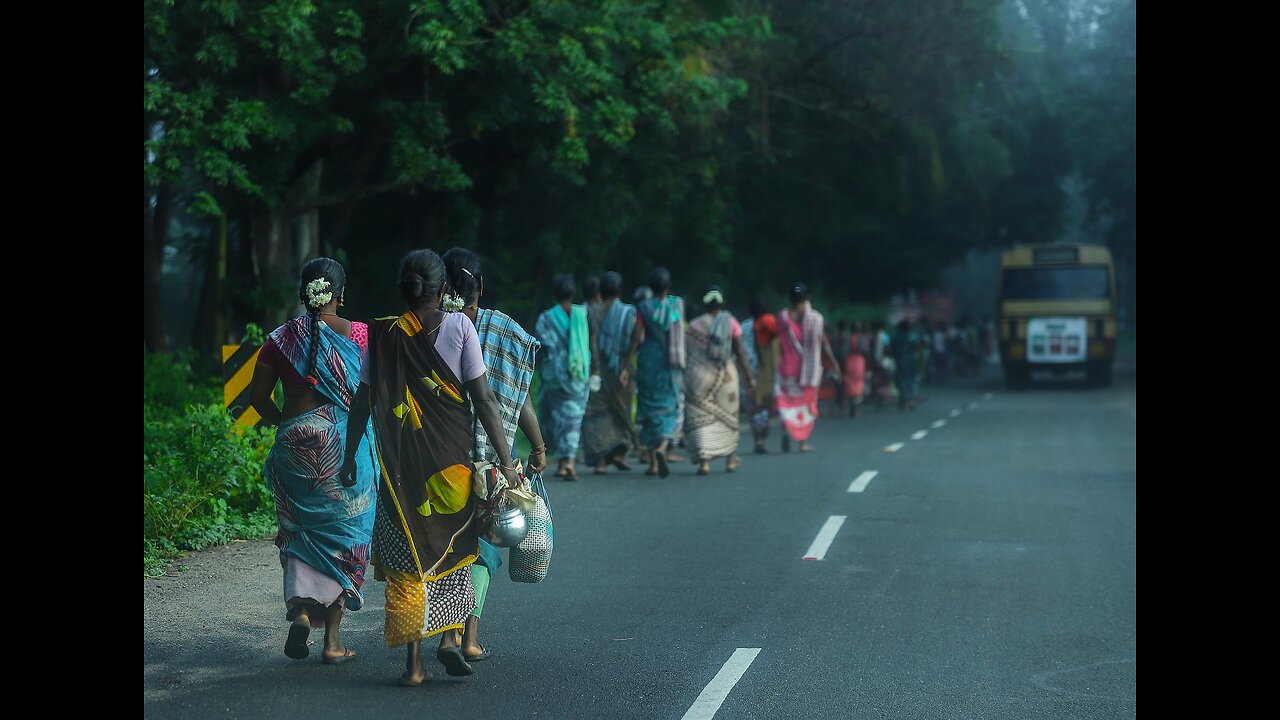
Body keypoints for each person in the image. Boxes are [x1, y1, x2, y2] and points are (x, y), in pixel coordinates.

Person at [338, 249, 523, 687]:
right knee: (453, 551)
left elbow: (362, 401)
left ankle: (414, 665)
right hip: (452, 468)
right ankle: (448, 639)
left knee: (408, 560)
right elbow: (485, 401)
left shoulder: (382, 335)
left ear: (404, 289)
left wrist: (349, 456)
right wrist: (507, 464)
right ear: (443, 290)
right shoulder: (460, 326)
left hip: (402, 472)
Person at [250, 257, 376, 666]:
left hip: (294, 448)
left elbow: (257, 400)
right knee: (345, 538)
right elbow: (374, 394)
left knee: (300, 534)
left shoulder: (280, 339)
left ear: (304, 293)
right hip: (344, 448)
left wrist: (288, 426)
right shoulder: (360, 335)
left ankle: (302, 612)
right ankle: (333, 642)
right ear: (341, 295)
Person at [441, 247, 548, 664]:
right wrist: (535, 447)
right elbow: (518, 398)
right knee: (483, 548)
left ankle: (443, 634)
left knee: (445, 546)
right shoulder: (505, 331)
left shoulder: (425, 328)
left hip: (436, 458)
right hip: (489, 459)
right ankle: (468, 636)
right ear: (479, 286)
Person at [685, 286, 755, 475]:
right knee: (730, 418)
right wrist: (749, 377)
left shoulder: (694, 326)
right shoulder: (731, 322)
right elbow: (740, 353)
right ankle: (730, 460)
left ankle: (705, 462)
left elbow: (688, 354)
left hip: (699, 378)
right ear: (722, 303)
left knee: (701, 419)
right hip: (727, 378)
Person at [623, 267, 685, 477]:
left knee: (649, 408)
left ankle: (653, 462)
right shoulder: (676, 305)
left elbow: (637, 337)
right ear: (668, 286)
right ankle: (663, 447)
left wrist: (626, 361)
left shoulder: (643, 307)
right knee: (670, 406)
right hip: (670, 363)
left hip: (649, 360)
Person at [535, 275, 592, 481]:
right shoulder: (583, 314)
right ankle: (568, 461)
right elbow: (590, 341)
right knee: (573, 418)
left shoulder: (546, 318)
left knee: (558, 418)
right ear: (573, 293)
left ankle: (562, 462)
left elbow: (541, 346)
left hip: (554, 376)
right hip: (578, 374)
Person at [582, 271, 639, 475]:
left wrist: (596, 367)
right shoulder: (629, 312)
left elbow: (593, 341)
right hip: (622, 371)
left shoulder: (592, 312)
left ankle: (601, 461)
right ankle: (619, 454)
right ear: (620, 290)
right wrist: (624, 367)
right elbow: (637, 339)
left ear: (600, 290)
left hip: (599, 371)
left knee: (597, 415)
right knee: (620, 411)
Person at [775, 282, 840, 452]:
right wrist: (834, 364)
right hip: (809, 371)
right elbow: (824, 343)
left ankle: (787, 430)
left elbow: (777, 343)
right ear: (808, 298)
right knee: (807, 405)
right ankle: (803, 442)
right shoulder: (816, 318)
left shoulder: (782, 317)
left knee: (788, 403)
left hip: (787, 368)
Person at [739, 293, 778, 454]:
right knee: (764, 406)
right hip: (765, 371)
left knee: (752, 406)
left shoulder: (743, 326)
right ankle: (761, 437)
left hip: (747, 370)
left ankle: (758, 439)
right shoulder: (771, 323)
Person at [893, 317, 923, 411]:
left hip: (899, 361)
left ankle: (903, 402)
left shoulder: (896, 337)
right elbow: (918, 348)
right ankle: (909, 401)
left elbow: (892, 350)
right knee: (910, 382)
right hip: (910, 361)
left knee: (901, 382)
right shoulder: (912, 337)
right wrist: (921, 361)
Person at [842, 321, 866, 417]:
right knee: (858, 383)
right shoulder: (862, 338)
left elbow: (843, 351)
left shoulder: (847, 338)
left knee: (849, 383)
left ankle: (850, 403)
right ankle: (855, 405)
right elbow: (865, 350)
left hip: (849, 360)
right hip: (859, 361)